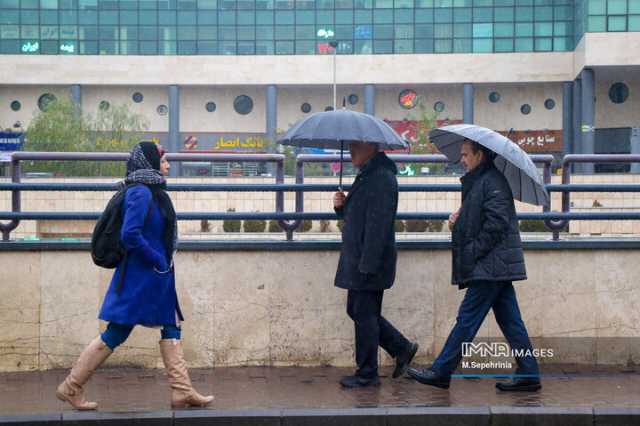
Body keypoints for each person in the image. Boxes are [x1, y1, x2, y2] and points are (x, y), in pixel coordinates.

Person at [56, 142, 214, 410]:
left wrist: (162, 262)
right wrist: (156, 258)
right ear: (150, 163)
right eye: (162, 160)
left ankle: (182, 391)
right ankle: (71, 386)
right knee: (117, 331)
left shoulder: (153, 192)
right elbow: (130, 235)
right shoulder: (140, 193)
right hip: (142, 276)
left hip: (156, 274)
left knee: (171, 324)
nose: (167, 165)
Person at [407, 139, 541, 392]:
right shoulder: (483, 181)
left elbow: (497, 224)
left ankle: (441, 370)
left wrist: (472, 252)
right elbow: (481, 219)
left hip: (490, 264)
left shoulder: (493, 182)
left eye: (466, 154)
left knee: (467, 319)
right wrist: (458, 220)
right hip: (495, 264)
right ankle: (529, 372)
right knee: (511, 322)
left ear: (480, 155)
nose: (462, 160)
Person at [333, 142, 418, 388]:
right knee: (359, 311)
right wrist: (341, 206)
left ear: (371, 146)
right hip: (361, 258)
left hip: (369, 260)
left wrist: (368, 264)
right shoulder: (369, 174)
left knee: (364, 313)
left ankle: (367, 373)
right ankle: (401, 348)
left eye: (356, 146)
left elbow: (378, 226)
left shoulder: (381, 178)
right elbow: (358, 216)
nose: (351, 151)